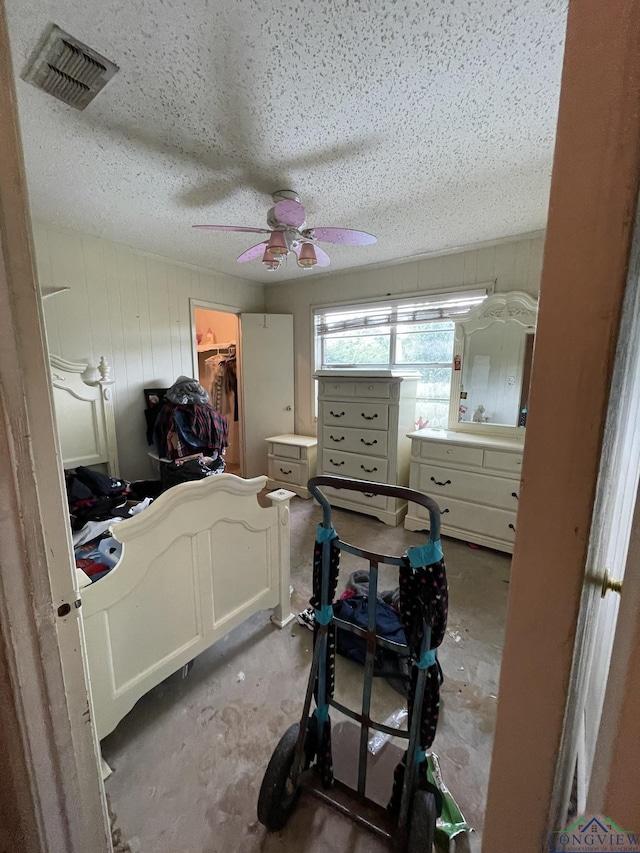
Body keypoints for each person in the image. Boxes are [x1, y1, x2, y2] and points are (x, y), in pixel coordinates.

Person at [153, 376, 229, 463]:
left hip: (189, 454)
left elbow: (157, 433)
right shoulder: (207, 409)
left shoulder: (170, 410)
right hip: (204, 451)